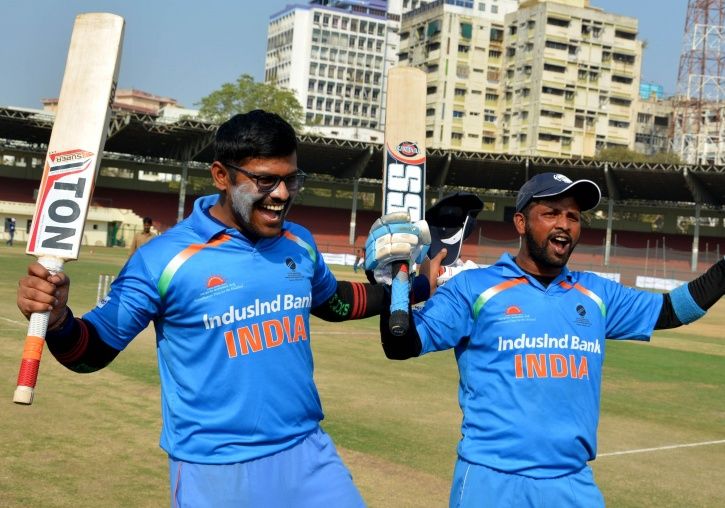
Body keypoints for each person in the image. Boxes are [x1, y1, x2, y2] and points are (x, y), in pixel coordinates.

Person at [16, 110, 434, 507]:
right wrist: (57, 321)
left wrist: (408, 286)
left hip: (307, 452)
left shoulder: (298, 241)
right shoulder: (164, 259)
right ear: (221, 175)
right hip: (214, 469)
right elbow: (90, 352)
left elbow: (334, 302)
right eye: (266, 181)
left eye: (292, 180)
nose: (283, 195)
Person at [366, 172, 725, 507]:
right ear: (521, 223)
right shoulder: (474, 289)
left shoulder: (596, 294)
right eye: (551, 213)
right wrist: (394, 284)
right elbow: (401, 344)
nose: (564, 225)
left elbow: (674, 309)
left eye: (573, 216)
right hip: (491, 482)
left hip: (571, 483)